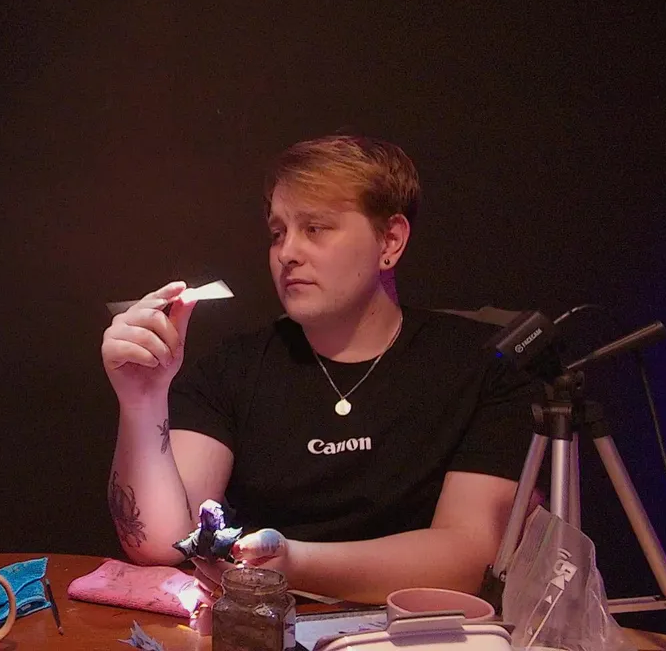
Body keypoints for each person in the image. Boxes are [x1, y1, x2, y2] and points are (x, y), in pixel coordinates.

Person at [100, 135, 534, 602]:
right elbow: (161, 541)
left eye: (316, 228)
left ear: (390, 240)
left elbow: (469, 559)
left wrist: (295, 563)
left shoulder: (479, 365)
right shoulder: (233, 370)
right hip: (267, 623)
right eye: (278, 233)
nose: (287, 253)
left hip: (420, 626)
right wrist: (142, 400)